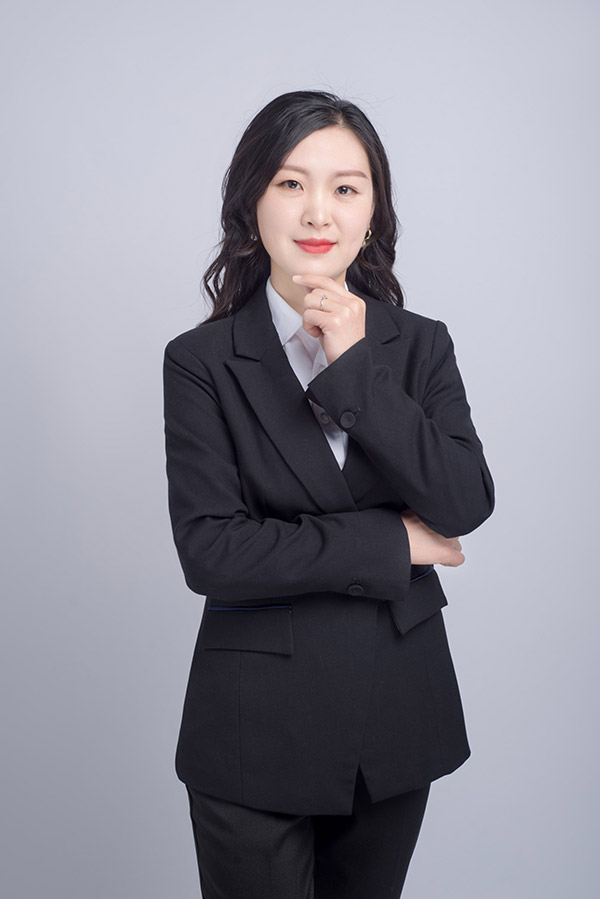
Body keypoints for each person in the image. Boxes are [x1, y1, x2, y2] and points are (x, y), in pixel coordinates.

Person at [163, 89, 495, 899]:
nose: (319, 211)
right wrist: (394, 542)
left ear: (372, 211)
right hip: (254, 726)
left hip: (396, 710)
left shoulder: (420, 346)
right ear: (252, 204)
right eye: (291, 183)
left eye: (346, 187)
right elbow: (213, 550)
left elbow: (463, 501)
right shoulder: (200, 362)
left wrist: (355, 368)